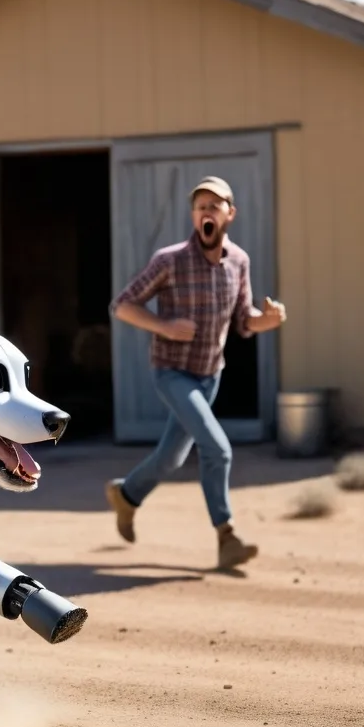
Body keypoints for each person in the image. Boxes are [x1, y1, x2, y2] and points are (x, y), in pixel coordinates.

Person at [104, 175, 286, 569]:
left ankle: (127, 495)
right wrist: (164, 326)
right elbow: (122, 305)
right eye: (200, 206)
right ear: (193, 215)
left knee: (170, 458)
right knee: (217, 448)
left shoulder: (239, 261)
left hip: (210, 375)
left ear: (229, 215)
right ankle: (227, 536)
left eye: (214, 206)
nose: (206, 212)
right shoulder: (169, 260)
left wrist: (267, 321)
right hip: (171, 372)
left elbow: (244, 319)